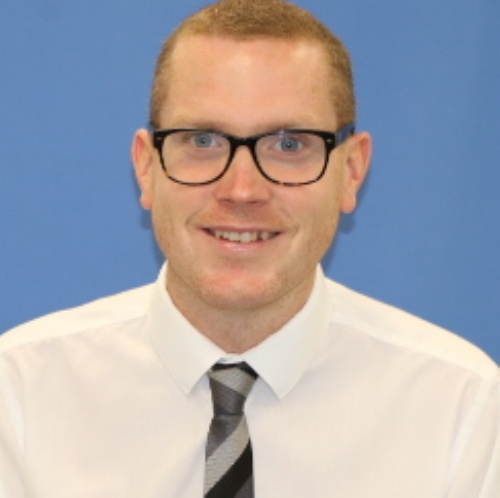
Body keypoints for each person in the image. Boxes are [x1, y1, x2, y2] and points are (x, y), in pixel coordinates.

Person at [0, 0, 498, 496]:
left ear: (351, 171)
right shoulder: (18, 395)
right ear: (146, 167)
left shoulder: (464, 410)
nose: (242, 190)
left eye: (289, 144)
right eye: (202, 141)